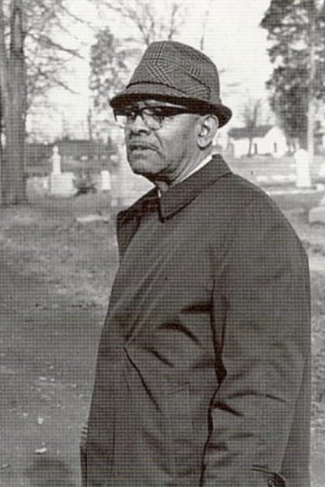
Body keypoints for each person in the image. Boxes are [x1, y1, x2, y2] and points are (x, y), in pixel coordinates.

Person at [83, 41, 310, 486]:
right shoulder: (153, 217)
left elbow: (259, 396)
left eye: (160, 114)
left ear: (205, 129)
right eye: (131, 113)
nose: (138, 127)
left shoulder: (248, 225)